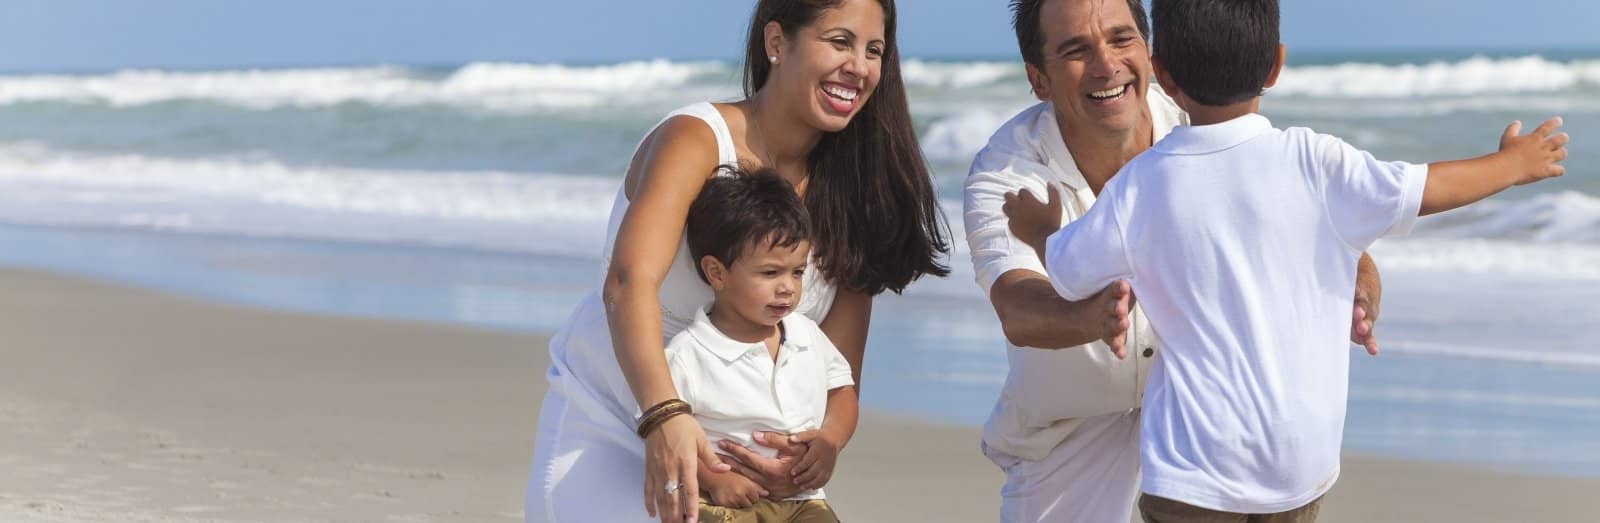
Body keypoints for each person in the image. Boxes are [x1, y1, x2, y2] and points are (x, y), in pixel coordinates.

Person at [1003, 0, 1570, 520]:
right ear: (1276, 66)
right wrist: (1514, 166)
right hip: (1300, 462)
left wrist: (1043, 229)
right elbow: (1425, 189)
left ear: (1163, 75)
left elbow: (1072, 274)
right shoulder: (1316, 161)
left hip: (1194, 469)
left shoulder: (1142, 184)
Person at [524, 0, 949, 521]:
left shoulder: (858, 192)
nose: (858, 66)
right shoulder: (697, 139)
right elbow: (627, 281)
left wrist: (815, 451)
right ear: (776, 43)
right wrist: (664, 416)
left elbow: (835, 372)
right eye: (839, 42)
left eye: (874, 50)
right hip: (616, 421)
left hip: (742, 470)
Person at [961, 0, 1383, 521]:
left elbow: (1312, 212)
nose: (1105, 65)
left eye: (1121, 40)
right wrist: (1088, 317)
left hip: (1211, 416)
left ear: (1149, 51)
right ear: (1039, 79)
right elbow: (1018, 308)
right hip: (1070, 426)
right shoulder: (1006, 172)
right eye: (1076, 50)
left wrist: (1357, 285)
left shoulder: (1204, 114)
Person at [665, 169, 854, 523]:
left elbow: (843, 393)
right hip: (721, 500)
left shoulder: (806, 334)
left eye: (797, 272)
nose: (788, 288)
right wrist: (713, 478)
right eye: (770, 273)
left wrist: (830, 441)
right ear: (717, 273)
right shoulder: (689, 352)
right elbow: (668, 435)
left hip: (803, 499)